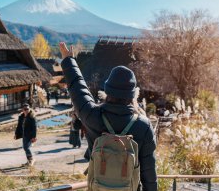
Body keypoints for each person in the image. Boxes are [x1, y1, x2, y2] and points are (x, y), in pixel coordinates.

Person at [59, 42, 157, 191]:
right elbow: (149, 173)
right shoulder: (143, 125)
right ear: (132, 95)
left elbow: (78, 90)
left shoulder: (92, 115)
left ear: (108, 91)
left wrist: (69, 60)